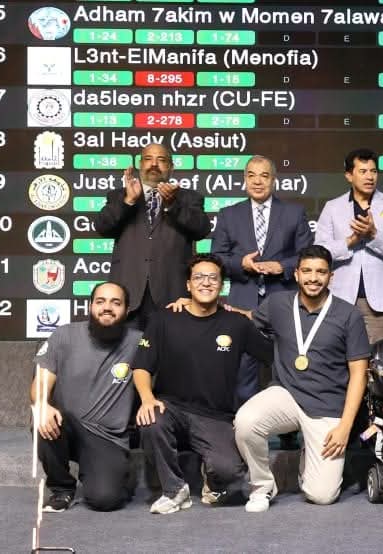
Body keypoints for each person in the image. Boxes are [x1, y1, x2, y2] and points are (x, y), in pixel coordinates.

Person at [232, 245, 372, 511]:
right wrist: (200, 305)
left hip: (328, 407)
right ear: (296, 274)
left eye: (321, 272)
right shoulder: (277, 304)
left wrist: (345, 426)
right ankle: (262, 486)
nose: (313, 278)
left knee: (322, 496)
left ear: (331, 277)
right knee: (246, 421)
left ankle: (310, 455)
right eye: (307, 271)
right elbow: (244, 318)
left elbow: (358, 374)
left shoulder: (349, 315)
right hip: (286, 394)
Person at [133, 254, 273, 514]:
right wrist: (147, 399)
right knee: (150, 419)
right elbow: (141, 366)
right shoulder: (164, 319)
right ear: (188, 285)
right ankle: (174, 490)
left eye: (212, 278)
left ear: (221, 286)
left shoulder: (236, 323)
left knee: (229, 471)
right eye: (198, 277)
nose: (205, 283)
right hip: (171, 408)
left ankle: (212, 478)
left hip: (216, 416)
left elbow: (273, 357)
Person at [211, 154, 313, 404]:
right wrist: (241, 264)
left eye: (264, 176)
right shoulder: (228, 214)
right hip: (242, 301)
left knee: (287, 365)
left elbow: (307, 256)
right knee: (243, 370)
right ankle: (242, 420)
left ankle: (288, 421)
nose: (257, 181)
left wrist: (282, 266)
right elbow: (216, 258)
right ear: (245, 179)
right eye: (251, 175)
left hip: (283, 300)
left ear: (274, 180)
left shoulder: (294, 213)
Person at [31, 282, 142, 512]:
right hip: (67, 427)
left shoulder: (139, 342)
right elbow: (41, 381)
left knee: (105, 500)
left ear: (127, 310)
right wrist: (42, 403)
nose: (107, 307)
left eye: (116, 302)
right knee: (41, 416)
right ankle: (62, 488)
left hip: (107, 437)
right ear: (90, 306)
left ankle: (119, 472)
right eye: (100, 301)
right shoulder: (64, 335)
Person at [93, 143, 210, 330]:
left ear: (171, 167)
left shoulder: (188, 198)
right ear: (140, 165)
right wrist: (128, 201)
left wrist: (173, 206)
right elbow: (102, 227)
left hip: (172, 296)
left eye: (161, 160)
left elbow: (202, 229)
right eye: (148, 159)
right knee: (127, 349)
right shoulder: (119, 196)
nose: (154, 164)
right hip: (127, 297)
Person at [315, 148, 383, 343]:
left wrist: (374, 235)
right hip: (340, 299)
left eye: (373, 171)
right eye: (363, 171)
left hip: (381, 303)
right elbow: (320, 252)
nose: (369, 177)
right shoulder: (332, 207)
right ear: (349, 175)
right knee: (337, 357)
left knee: (379, 359)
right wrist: (350, 242)